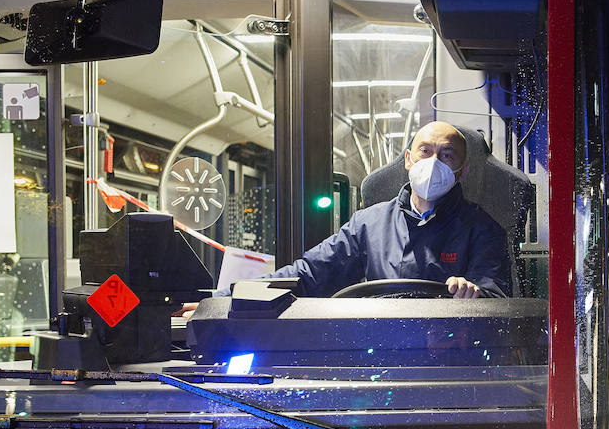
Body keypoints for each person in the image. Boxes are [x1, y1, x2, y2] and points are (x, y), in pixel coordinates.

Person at [207, 121, 510, 303]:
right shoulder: (369, 223)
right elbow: (309, 273)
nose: (433, 163)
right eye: (425, 152)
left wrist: (473, 294)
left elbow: (496, 298)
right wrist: (226, 299)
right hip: (377, 353)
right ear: (408, 160)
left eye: (447, 155)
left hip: (450, 357)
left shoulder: (484, 229)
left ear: (462, 171)